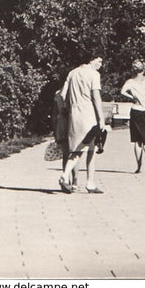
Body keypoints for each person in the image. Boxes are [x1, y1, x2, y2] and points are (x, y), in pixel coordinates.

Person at [59, 53, 106, 194]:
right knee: (87, 147)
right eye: (99, 60)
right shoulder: (94, 74)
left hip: (74, 114)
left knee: (82, 147)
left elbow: (62, 95)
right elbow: (96, 97)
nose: (101, 64)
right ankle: (66, 175)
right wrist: (101, 118)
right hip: (89, 114)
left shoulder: (72, 73)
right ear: (92, 59)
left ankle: (90, 183)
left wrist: (66, 109)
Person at [52, 89, 78, 190]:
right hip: (73, 121)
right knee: (75, 152)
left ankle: (66, 180)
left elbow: (54, 114)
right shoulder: (74, 91)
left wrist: (55, 130)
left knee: (66, 154)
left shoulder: (58, 93)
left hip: (61, 123)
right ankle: (75, 181)